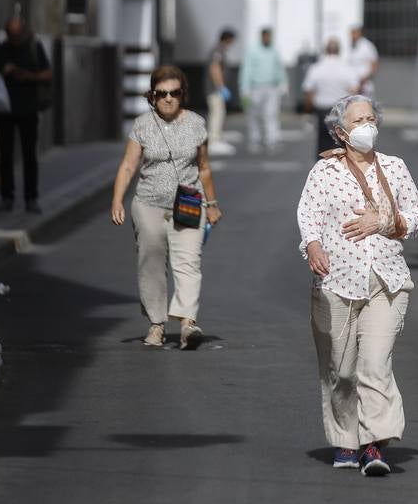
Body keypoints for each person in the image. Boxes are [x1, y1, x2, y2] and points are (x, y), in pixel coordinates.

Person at [297, 95, 418, 476]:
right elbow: (308, 214)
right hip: (336, 281)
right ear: (340, 131)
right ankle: (345, 441)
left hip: (387, 281)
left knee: (374, 363)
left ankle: (373, 444)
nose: (367, 126)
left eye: (371, 118)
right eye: (358, 121)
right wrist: (314, 245)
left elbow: (417, 216)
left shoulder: (395, 167)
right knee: (341, 369)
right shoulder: (324, 172)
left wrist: (382, 221)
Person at [110, 65, 224, 350]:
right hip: (148, 205)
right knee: (150, 264)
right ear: (152, 96)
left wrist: (212, 204)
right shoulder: (142, 125)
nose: (169, 99)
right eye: (162, 94)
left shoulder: (197, 123)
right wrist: (116, 200)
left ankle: (188, 323)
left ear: (182, 94)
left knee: (188, 263)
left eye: (174, 93)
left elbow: (205, 168)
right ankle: (157, 324)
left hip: (188, 205)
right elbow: (127, 166)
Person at [0, 16, 53, 213]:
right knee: (5, 156)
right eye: (12, 35)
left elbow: (48, 73)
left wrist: (27, 76)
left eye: (18, 34)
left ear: (23, 32)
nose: (15, 38)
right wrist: (4, 71)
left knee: (29, 156)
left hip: (28, 109)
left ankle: (31, 198)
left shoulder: (33, 48)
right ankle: (7, 196)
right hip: (5, 109)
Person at [301, 38, 360, 156]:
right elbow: (354, 90)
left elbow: (309, 91)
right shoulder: (347, 68)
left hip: (322, 110)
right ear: (339, 50)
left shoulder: (317, 68)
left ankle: (322, 170)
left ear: (325, 50)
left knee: (323, 144)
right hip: (341, 111)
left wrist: (309, 109)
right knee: (341, 144)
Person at [238, 27, 287, 154]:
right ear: (262, 36)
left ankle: (272, 139)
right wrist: (245, 88)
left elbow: (279, 68)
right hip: (256, 87)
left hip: (272, 87)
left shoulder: (274, 50)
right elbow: (247, 70)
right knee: (254, 115)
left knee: (272, 114)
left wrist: (283, 83)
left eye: (269, 37)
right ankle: (255, 140)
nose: (268, 39)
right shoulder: (252, 51)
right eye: (266, 36)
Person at [205, 28, 237, 156]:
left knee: (219, 113)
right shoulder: (218, 51)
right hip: (215, 89)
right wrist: (221, 86)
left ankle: (216, 138)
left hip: (216, 89)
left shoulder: (219, 50)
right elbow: (215, 68)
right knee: (216, 113)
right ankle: (213, 141)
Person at [347, 25, 380, 97]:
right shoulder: (348, 45)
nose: (352, 35)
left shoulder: (368, 46)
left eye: (354, 33)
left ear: (359, 33)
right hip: (352, 85)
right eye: (351, 33)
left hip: (365, 84)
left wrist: (364, 80)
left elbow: (374, 65)